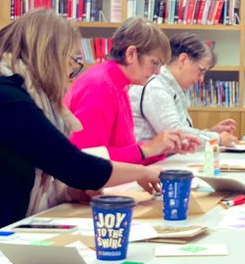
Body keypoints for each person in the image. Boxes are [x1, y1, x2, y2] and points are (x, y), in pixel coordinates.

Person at [0, 9, 164, 261]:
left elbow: (33, 166)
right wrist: (144, 172)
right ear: (50, 57)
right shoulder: (4, 100)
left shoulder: (12, 95)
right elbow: (76, 167)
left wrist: (69, 192)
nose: (71, 74)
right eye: (71, 62)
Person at [66, 17, 186, 163]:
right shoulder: (99, 86)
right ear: (131, 54)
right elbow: (86, 159)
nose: (157, 72)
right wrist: (147, 149)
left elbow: (123, 151)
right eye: (154, 63)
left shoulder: (118, 84)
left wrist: (160, 148)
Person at [133, 32, 238, 146]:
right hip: (149, 162)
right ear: (183, 60)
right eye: (201, 71)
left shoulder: (170, 86)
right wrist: (217, 139)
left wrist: (210, 133)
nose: (201, 79)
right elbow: (175, 134)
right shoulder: (156, 87)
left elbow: (182, 130)